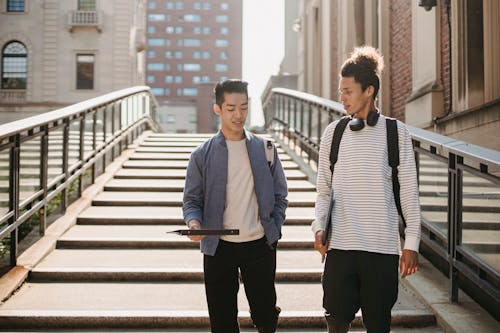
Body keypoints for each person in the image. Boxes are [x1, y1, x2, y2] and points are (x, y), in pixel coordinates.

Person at [311, 46, 421, 333]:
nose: (342, 97)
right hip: (340, 250)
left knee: (378, 326)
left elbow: (409, 193)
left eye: (348, 91)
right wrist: (319, 227)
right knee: (335, 323)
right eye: (340, 91)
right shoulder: (332, 134)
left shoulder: (397, 133)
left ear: (369, 90)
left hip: (382, 251)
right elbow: (324, 192)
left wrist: (411, 244)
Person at [183, 79, 288, 333]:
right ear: (218, 109)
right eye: (231, 108)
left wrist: (273, 224)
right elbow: (191, 200)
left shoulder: (266, 149)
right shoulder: (202, 154)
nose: (238, 115)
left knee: (264, 316)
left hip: (259, 245)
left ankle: (267, 315)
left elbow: (280, 194)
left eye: (243, 107)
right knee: (222, 322)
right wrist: (194, 223)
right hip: (219, 248)